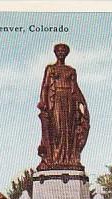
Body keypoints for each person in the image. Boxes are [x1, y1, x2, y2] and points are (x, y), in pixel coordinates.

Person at [37, 43, 90, 171]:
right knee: (57, 129)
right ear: (55, 53)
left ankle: (68, 158)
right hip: (55, 102)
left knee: (69, 131)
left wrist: (82, 103)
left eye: (63, 51)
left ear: (66, 53)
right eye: (59, 51)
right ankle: (54, 158)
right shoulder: (50, 68)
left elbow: (75, 89)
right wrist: (43, 103)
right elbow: (45, 87)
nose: (61, 53)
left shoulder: (71, 70)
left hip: (69, 101)